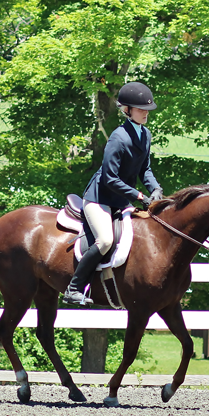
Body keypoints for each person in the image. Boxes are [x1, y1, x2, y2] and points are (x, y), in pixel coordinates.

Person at [62, 82, 164, 306]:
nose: (146, 113)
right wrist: (139, 196)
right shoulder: (118, 138)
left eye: (147, 109)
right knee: (106, 240)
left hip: (120, 199)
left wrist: (155, 188)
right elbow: (109, 178)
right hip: (99, 198)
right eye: (141, 109)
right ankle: (74, 288)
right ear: (127, 109)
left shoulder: (144, 134)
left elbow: (144, 168)